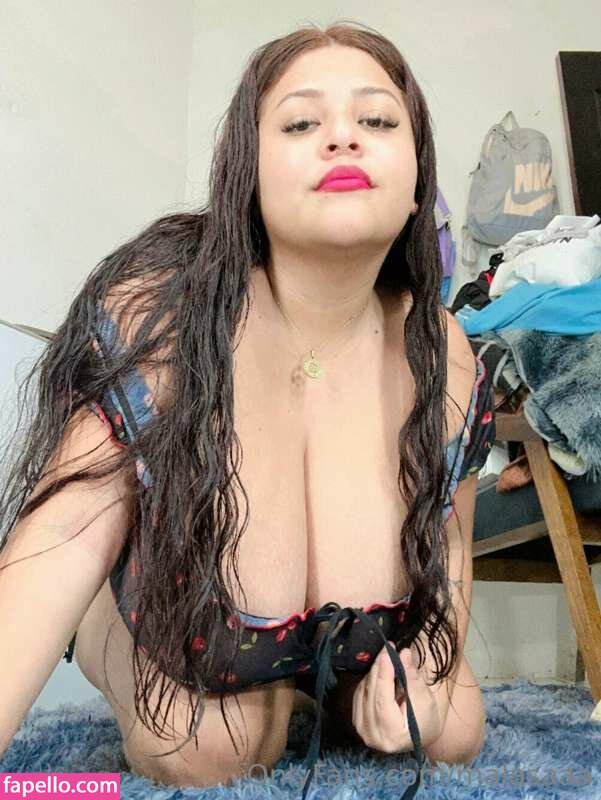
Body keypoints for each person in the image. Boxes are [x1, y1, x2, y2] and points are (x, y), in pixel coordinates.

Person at [0, 20, 495, 800]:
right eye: (300, 123)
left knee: (453, 728)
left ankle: (323, 690)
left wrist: (429, 668)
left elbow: (450, 538)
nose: (342, 137)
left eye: (376, 120)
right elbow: (60, 539)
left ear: (415, 187)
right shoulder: (164, 315)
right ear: (246, 177)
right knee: (208, 747)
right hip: (187, 626)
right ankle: (107, 637)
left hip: (356, 636)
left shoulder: (446, 352)